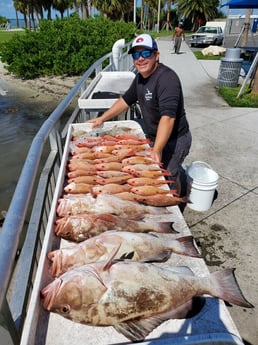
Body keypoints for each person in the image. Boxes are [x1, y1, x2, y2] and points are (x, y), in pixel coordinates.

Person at [87, 33, 191, 197]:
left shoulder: (167, 79)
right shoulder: (140, 78)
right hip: (154, 136)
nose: (140, 59)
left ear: (156, 55)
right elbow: (125, 100)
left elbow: (168, 118)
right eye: (136, 54)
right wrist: (102, 118)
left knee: (167, 176)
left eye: (145, 53)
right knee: (152, 177)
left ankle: (176, 200)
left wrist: (157, 149)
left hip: (175, 139)